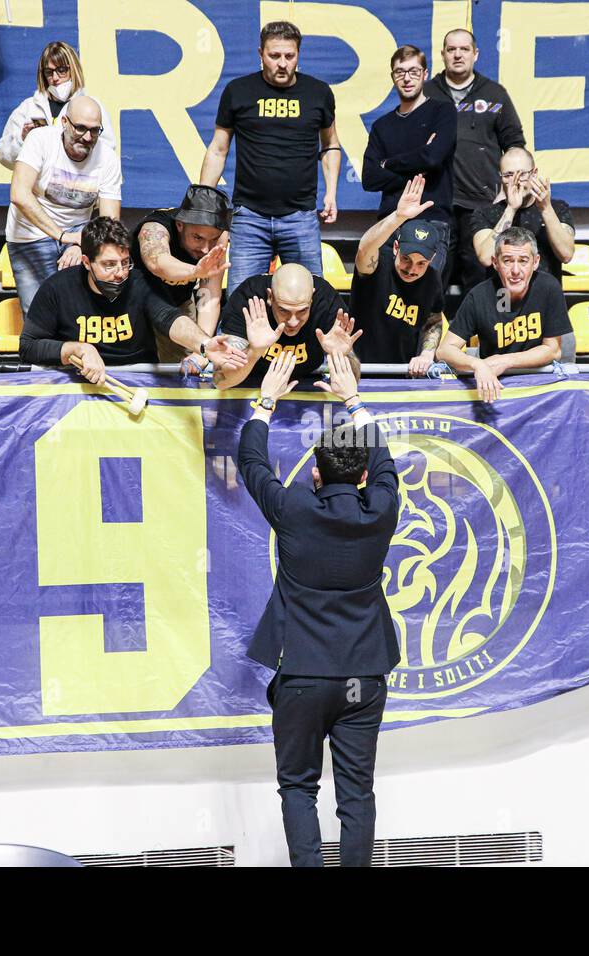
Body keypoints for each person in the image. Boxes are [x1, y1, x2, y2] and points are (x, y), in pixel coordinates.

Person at [237, 348, 400, 867]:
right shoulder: (381, 509)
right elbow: (385, 460)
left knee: (298, 787)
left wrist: (264, 403)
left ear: (313, 475)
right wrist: (353, 398)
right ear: (361, 479)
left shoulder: (293, 508)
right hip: (363, 678)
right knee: (357, 793)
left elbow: (251, 462)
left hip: (303, 676)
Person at [200, 21, 340, 295]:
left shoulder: (319, 93)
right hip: (249, 217)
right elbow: (218, 149)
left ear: (298, 54)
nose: (283, 63)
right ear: (260, 54)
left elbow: (331, 145)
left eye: (290, 56)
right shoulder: (238, 91)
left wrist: (332, 192)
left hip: (301, 216)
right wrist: (204, 203)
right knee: (241, 302)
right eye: (274, 56)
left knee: (311, 299)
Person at [18, 217, 246, 384]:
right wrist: (77, 349)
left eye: (125, 262)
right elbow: (29, 347)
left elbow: (169, 317)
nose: (119, 272)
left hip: (137, 379)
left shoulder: (140, 282)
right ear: (86, 263)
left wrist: (203, 345)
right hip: (78, 382)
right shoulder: (58, 288)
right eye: (109, 264)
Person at [424, 28, 525, 294]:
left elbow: (515, 145)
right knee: (431, 281)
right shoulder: (426, 94)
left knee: (479, 283)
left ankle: (478, 336)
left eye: (464, 49)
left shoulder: (495, 94)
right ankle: (430, 336)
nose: (458, 55)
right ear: (443, 54)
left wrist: (506, 191)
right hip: (435, 203)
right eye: (451, 49)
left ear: (476, 54)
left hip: (480, 205)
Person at [5, 95, 122, 313]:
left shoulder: (107, 158)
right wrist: (61, 236)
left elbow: (109, 221)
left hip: (77, 233)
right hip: (30, 233)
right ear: (64, 123)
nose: (87, 137)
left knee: (77, 312)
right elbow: (19, 193)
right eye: (80, 128)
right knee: (39, 314)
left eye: (95, 130)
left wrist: (80, 244)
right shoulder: (40, 139)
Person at [436, 227, 571, 403]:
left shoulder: (548, 288)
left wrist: (505, 361)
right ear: (495, 262)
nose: (515, 270)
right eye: (507, 261)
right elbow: (444, 350)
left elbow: (552, 350)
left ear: (535, 262)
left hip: (539, 388)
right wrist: (477, 364)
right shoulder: (479, 295)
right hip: (493, 387)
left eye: (523, 261)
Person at [360, 45, 456, 272]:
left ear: (425, 74)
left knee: (425, 299)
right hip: (390, 222)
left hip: (430, 219)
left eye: (413, 71)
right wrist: (418, 163)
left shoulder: (442, 112)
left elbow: (432, 158)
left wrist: (388, 163)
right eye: (400, 72)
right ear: (392, 77)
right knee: (383, 300)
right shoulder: (382, 126)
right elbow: (370, 178)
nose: (406, 78)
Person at [350, 176, 445, 374]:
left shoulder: (432, 279)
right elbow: (364, 249)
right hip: (359, 371)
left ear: (432, 258)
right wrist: (398, 217)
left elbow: (433, 320)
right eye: (406, 259)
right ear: (395, 247)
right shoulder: (377, 264)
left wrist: (427, 354)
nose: (412, 269)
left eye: (421, 264)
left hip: (400, 373)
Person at [215, 263, 359, 389]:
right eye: (284, 310)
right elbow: (221, 382)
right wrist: (254, 352)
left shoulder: (326, 301)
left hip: (307, 381)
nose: (293, 322)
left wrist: (340, 355)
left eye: (302, 310)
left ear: (312, 298)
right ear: (270, 297)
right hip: (249, 380)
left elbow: (352, 384)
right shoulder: (249, 298)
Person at [134, 185, 232, 369]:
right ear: (180, 224)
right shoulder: (155, 226)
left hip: (177, 306)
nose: (205, 248)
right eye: (197, 238)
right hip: (134, 305)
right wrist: (196, 272)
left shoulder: (219, 237)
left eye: (212, 240)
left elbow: (210, 296)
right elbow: (158, 263)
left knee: (187, 369)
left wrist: (201, 350)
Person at [0, 41, 116, 170]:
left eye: (62, 70)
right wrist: (22, 139)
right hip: (36, 187)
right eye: (49, 72)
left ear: (74, 70)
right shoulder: (28, 108)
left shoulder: (91, 107)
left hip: (79, 185)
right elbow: (5, 158)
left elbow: (107, 154)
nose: (55, 77)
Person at [471, 147, 576, 282]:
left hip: (545, 295)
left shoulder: (557, 208)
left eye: (521, 174)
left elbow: (566, 255)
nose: (516, 180)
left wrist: (546, 209)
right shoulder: (484, 213)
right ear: (501, 177)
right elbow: (486, 258)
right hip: (502, 298)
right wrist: (511, 209)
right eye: (508, 175)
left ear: (534, 173)